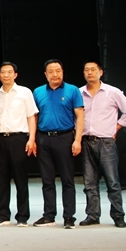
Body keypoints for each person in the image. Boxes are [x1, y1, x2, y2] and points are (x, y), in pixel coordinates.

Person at [80, 61, 126, 228]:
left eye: (93, 70)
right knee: (89, 182)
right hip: (86, 141)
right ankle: (92, 215)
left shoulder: (112, 92)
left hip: (106, 142)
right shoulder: (79, 92)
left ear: (101, 72)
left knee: (112, 181)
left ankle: (118, 215)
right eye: (86, 70)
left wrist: (116, 127)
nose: (90, 72)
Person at [32, 60, 83, 229]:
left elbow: (80, 116)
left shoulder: (72, 90)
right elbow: (34, 117)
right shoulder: (38, 92)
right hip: (43, 138)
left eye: (58, 71)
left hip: (65, 137)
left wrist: (77, 140)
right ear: (45, 74)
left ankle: (69, 217)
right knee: (47, 179)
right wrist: (33, 139)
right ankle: (49, 215)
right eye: (51, 71)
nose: (55, 74)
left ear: (63, 72)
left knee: (67, 179)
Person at [0, 62, 39, 227]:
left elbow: (31, 117)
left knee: (20, 178)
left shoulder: (25, 92)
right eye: (3, 72)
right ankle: (3, 215)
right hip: (0, 139)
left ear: (15, 75)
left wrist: (31, 139)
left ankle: (22, 216)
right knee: (2, 179)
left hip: (19, 138)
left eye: (9, 72)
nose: (6, 75)